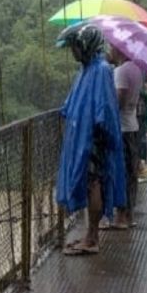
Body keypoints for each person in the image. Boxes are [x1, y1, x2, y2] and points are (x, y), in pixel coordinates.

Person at [56, 24, 127, 255]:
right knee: (88, 184)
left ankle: (92, 238)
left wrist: (97, 133)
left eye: (75, 47)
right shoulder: (87, 69)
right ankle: (89, 235)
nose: (74, 52)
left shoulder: (100, 70)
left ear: (86, 45)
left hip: (93, 139)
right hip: (84, 136)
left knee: (93, 183)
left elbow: (104, 108)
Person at [107, 46, 144, 229]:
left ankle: (121, 216)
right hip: (133, 126)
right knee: (131, 172)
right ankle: (129, 214)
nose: (109, 51)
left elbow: (120, 97)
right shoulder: (136, 69)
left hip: (122, 128)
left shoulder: (121, 71)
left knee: (121, 172)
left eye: (111, 47)